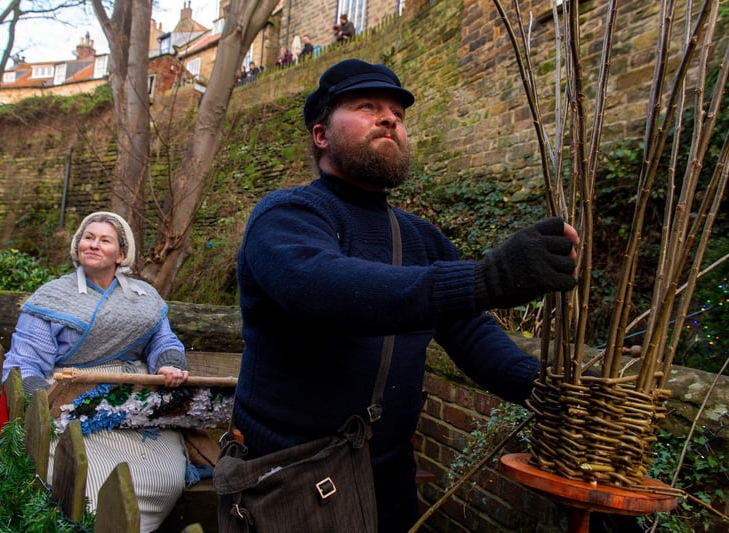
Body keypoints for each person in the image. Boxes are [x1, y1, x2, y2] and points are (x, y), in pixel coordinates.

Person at [230, 58, 579, 531]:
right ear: (321, 135)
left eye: (398, 112)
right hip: (292, 477)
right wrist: (486, 279)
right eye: (367, 106)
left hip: (390, 479)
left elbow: (470, 332)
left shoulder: (421, 238)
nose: (390, 117)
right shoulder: (287, 215)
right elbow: (321, 288)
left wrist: (547, 391)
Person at [1, 211, 190, 533]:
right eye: (88, 238)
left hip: (135, 404)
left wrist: (169, 364)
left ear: (121, 254)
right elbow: (25, 362)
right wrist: (42, 404)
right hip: (69, 405)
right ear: (77, 246)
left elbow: (163, 340)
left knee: (166, 479)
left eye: (105, 240)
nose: (93, 244)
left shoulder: (145, 299)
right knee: (86, 478)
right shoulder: (50, 297)